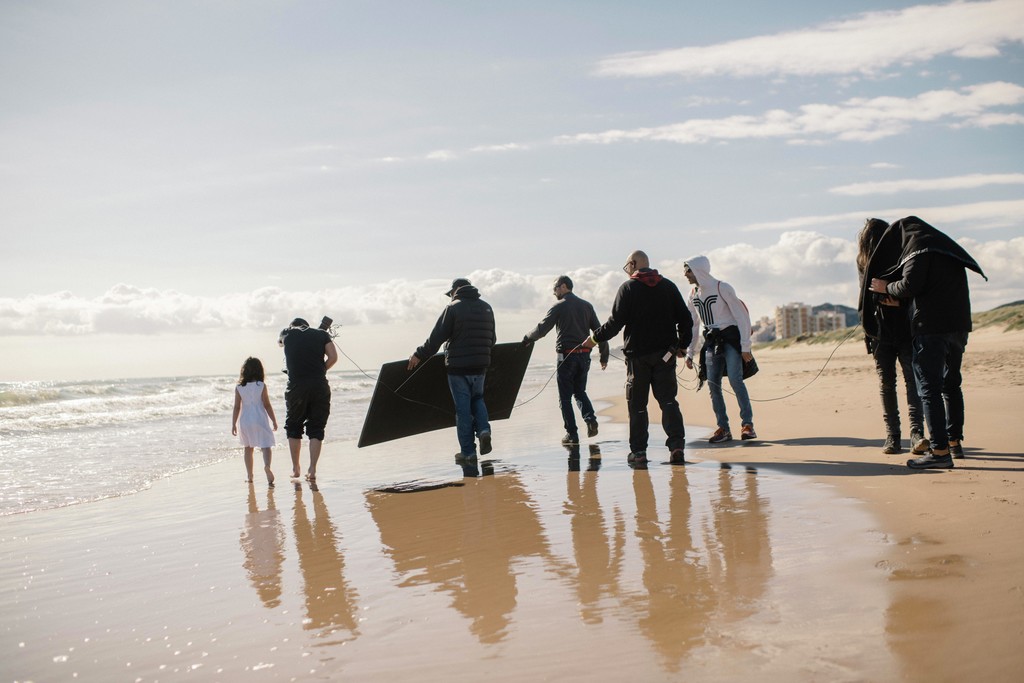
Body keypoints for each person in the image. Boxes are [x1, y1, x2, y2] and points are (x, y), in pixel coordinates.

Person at [869, 216, 986, 469]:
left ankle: (940, 452)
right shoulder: (945, 248)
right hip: (958, 326)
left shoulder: (917, 249)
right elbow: (934, 288)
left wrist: (886, 287)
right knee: (951, 385)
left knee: (929, 389)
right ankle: (954, 443)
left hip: (931, 329)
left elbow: (911, 284)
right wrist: (902, 301)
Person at [583, 250, 693, 467]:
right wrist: (681, 346)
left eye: (627, 267)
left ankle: (639, 453)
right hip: (665, 356)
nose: (627, 272)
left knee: (638, 406)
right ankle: (676, 447)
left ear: (633, 264)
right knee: (668, 402)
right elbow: (686, 320)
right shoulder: (668, 286)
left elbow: (615, 323)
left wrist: (593, 339)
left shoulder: (628, 288)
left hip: (638, 358)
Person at [408, 278, 497, 462]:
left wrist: (418, 354)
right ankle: (483, 430)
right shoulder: (487, 307)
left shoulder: (453, 308)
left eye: (450, 294)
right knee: (478, 399)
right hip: (481, 366)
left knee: (463, 409)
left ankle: (468, 453)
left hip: (459, 368)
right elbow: (492, 339)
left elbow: (435, 339)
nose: (449, 298)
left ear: (456, 290)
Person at [856, 218, 925, 455]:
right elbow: (868, 294)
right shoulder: (866, 261)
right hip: (892, 329)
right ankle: (912, 435)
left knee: (889, 384)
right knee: (909, 382)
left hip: (883, 330)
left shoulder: (892, 256)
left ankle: (896, 437)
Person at [523, 275, 610, 446]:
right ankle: (590, 419)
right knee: (580, 392)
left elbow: (542, 328)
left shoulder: (559, 306)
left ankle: (572, 434)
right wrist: (603, 355)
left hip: (566, 356)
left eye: (555, 288)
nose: (554, 291)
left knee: (565, 398)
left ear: (563, 287)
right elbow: (601, 332)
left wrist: (527, 338)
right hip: (584, 357)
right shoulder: (587, 306)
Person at [682, 256, 757, 443]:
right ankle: (723, 428)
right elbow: (693, 325)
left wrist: (745, 346)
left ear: (699, 270)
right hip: (711, 342)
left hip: (731, 340)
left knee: (735, 380)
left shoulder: (722, 287)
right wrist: (690, 352)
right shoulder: (693, 294)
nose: (685, 274)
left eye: (688, 270)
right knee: (713, 385)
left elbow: (741, 316)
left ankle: (747, 425)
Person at [278, 317, 338, 481]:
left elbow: (280, 344)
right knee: (316, 427)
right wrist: (320, 370)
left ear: (292, 326)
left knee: (293, 426)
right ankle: (312, 469)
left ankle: (296, 468)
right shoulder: (321, 334)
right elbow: (333, 357)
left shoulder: (286, 332)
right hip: (319, 385)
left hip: (296, 387)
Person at [231, 356, 279, 486]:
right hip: (260, 419)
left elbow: (236, 407)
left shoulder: (239, 387)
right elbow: (267, 405)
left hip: (245, 420)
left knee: (248, 448)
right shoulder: (261, 386)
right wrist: (274, 420)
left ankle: (250, 476)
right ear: (259, 371)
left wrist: (233, 424)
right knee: (266, 445)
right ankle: (267, 466)